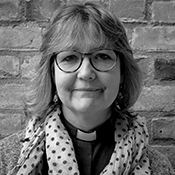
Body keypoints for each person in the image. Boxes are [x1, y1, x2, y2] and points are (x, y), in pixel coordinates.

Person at [6, 1, 174, 175]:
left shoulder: (157, 167)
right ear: (52, 73)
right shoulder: (7, 159)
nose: (86, 73)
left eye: (102, 56)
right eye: (70, 57)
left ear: (122, 71)